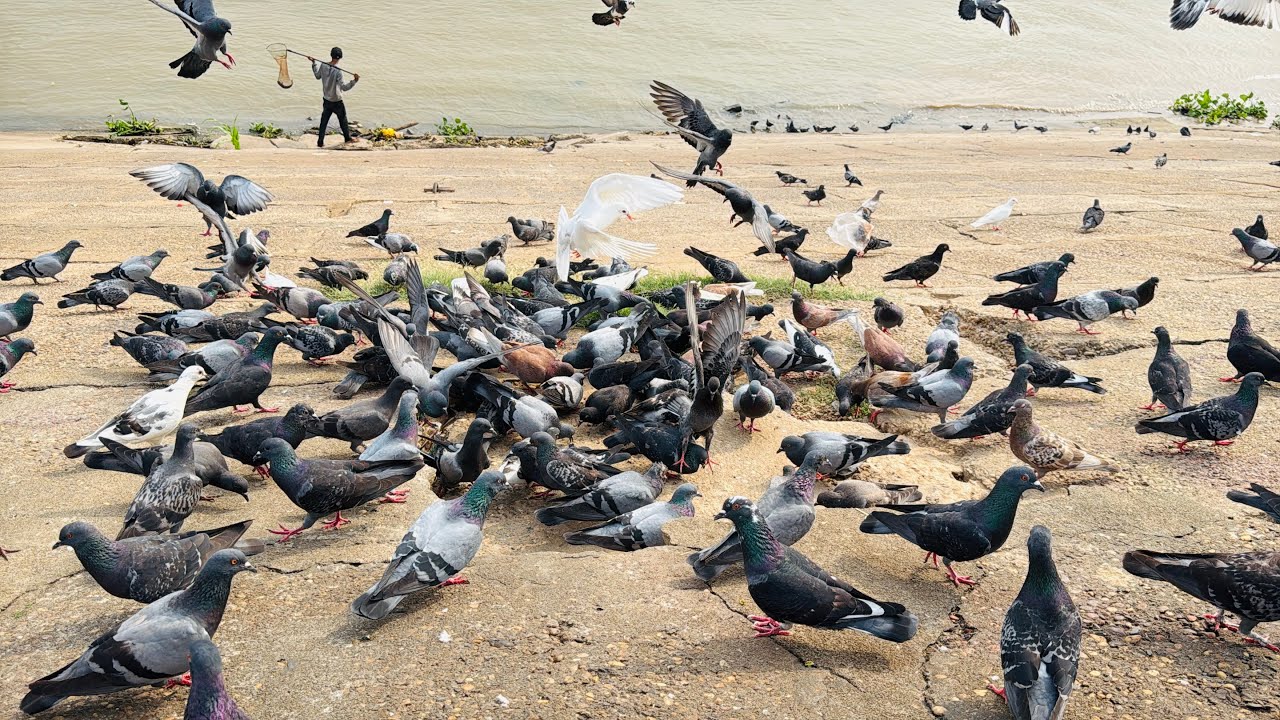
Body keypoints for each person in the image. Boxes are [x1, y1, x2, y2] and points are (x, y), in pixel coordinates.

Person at [308, 47, 359, 147]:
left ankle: (320, 141)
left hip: (326, 99)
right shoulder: (338, 71)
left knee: (324, 121)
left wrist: (314, 63)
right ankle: (347, 138)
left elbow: (317, 76)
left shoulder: (323, 65)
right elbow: (344, 87)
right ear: (340, 57)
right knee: (343, 119)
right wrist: (354, 81)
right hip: (336, 101)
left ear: (331, 55)